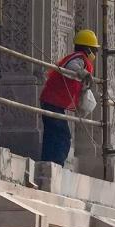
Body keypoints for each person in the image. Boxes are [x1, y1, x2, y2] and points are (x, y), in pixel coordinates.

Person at [39, 29, 99, 167]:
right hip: (52, 101)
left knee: (52, 134)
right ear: (88, 49)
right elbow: (70, 66)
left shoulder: (79, 58)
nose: (95, 54)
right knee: (63, 136)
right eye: (94, 50)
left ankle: (48, 163)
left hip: (52, 101)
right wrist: (84, 73)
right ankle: (55, 165)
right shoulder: (79, 58)